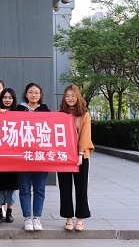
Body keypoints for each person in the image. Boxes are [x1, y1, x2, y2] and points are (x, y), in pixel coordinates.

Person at [57, 85, 94, 232]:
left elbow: (85, 137)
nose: (70, 98)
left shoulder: (85, 116)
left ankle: (80, 219)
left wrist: (80, 154)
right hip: (63, 157)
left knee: (81, 188)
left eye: (73, 96)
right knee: (65, 188)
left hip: (81, 156)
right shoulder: (59, 114)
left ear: (78, 97)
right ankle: (68, 219)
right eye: (67, 96)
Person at [14, 82, 50, 231]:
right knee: (24, 189)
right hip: (24, 156)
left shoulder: (46, 111)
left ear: (40, 95)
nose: (33, 95)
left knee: (39, 189)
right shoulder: (19, 110)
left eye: (36, 92)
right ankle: (27, 218)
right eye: (31, 92)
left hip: (40, 156)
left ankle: (37, 218)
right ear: (26, 94)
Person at [0, 88, 19, 224]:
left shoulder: (19, 112)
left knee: (12, 185)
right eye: (5, 97)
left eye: (10, 98)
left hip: (14, 155)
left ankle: (9, 212)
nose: (7, 100)